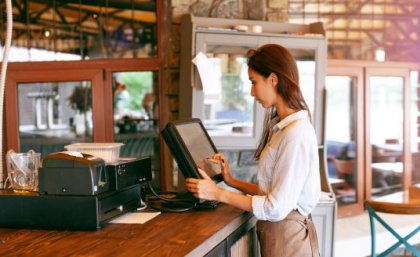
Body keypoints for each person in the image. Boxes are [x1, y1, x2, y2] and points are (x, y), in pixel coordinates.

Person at [186, 44, 321, 257]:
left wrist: (217, 193)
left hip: (289, 240)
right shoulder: (283, 128)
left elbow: (275, 208)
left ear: (273, 80)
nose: (251, 91)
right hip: (282, 236)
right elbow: (272, 192)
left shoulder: (296, 135)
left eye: (253, 81)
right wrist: (231, 181)